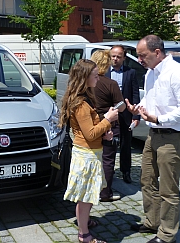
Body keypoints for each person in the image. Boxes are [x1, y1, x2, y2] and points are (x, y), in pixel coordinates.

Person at [127, 35, 180, 243]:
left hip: (173, 138)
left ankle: (167, 235)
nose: (139, 59)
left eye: (142, 55)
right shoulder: (151, 73)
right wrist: (138, 108)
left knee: (168, 188)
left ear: (157, 52)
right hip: (154, 135)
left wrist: (159, 118)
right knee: (147, 180)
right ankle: (152, 222)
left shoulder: (178, 73)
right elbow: (150, 98)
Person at [60, 59, 119, 243]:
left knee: (87, 195)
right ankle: (84, 235)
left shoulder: (84, 98)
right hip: (86, 156)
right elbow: (90, 132)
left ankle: (84, 223)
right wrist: (108, 119)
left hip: (90, 152)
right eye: (95, 76)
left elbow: (91, 132)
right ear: (85, 78)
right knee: (85, 198)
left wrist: (105, 135)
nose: (98, 79)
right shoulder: (80, 104)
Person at [90, 50, 126, 202]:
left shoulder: (86, 83)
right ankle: (105, 193)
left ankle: (91, 190)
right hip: (109, 126)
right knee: (107, 160)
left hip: (91, 124)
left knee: (92, 159)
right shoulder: (110, 83)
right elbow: (121, 105)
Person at [107, 45, 140, 184]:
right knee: (109, 143)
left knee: (126, 145)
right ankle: (109, 170)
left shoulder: (130, 72)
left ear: (124, 58)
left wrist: (136, 115)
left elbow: (135, 94)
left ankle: (126, 171)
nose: (115, 59)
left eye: (118, 56)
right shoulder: (104, 72)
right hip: (109, 113)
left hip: (126, 114)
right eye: (113, 56)